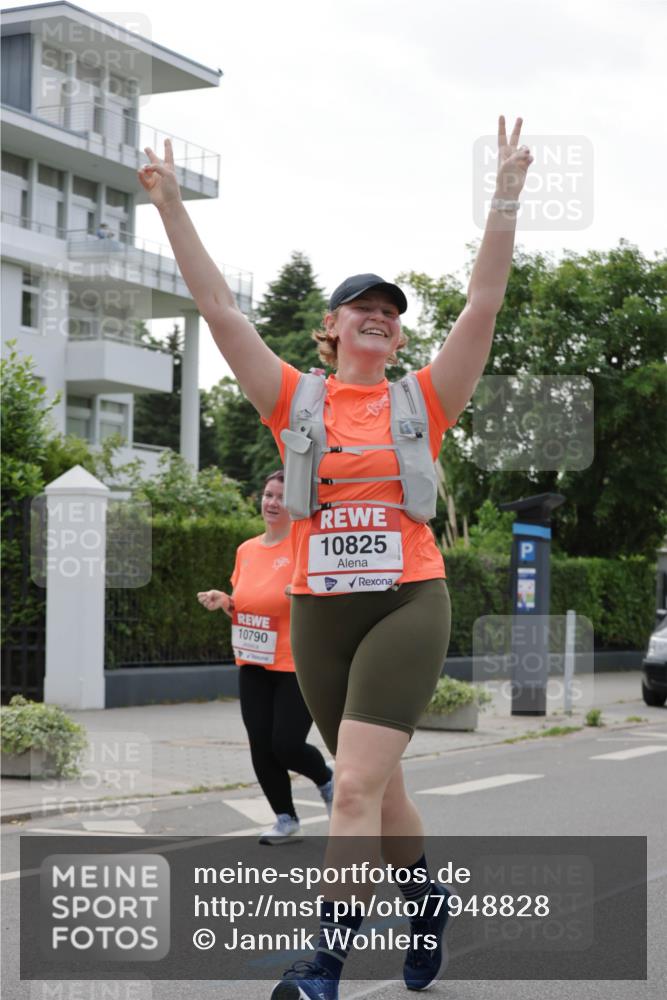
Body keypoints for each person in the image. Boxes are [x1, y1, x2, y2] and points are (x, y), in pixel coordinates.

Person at [139, 115, 533, 999]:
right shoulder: (293, 399)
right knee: (378, 792)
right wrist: (168, 206)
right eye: (365, 306)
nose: (381, 317)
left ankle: (321, 963)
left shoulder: (425, 400)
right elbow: (219, 309)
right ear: (332, 326)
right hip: (321, 613)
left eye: (391, 313)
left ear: (397, 337)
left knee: (350, 786)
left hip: (404, 600)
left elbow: (481, 306)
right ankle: (423, 896)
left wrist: (503, 197)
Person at [196, 470, 334, 845]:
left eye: (281, 497)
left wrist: (304, 595)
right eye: (268, 495)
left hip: (296, 663)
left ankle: (326, 779)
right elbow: (247, 605)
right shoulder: (246, 550)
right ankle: (285, 819)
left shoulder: (307, 546)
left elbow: (329, 600)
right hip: (253, 661)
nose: (272, 503)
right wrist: (225, 602)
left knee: (286, 745)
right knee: (260, 744)